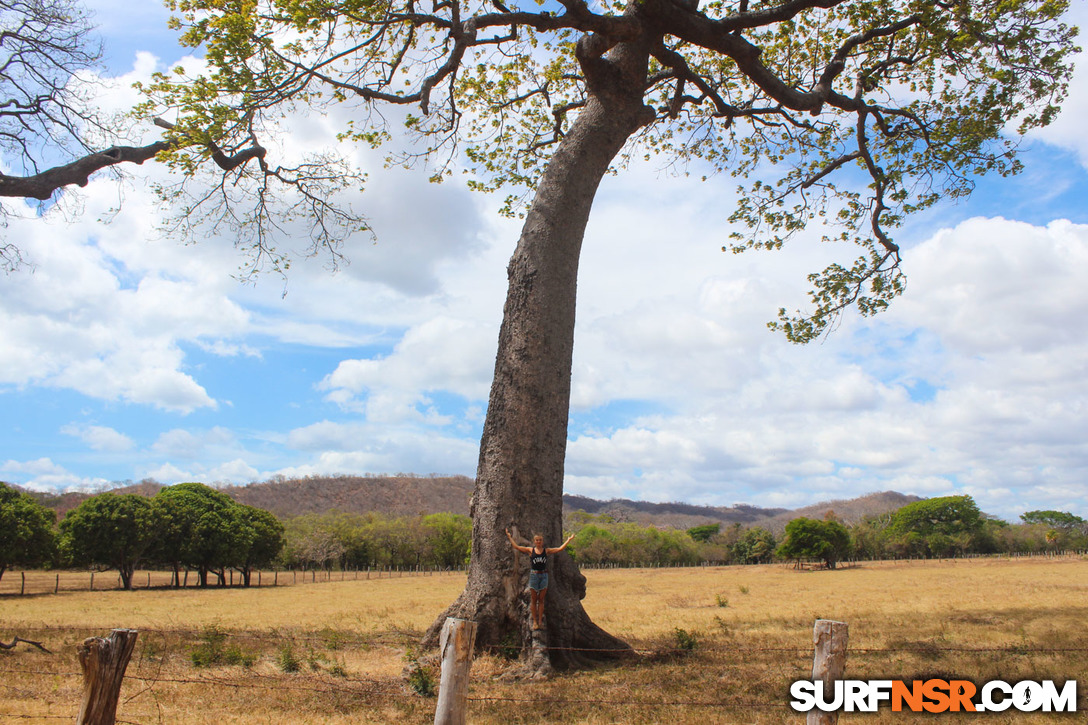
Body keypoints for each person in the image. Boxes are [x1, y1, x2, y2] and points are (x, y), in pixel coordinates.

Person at [506, 528, 575, 630]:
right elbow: (516, 546)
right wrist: (509, 537)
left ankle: (540, 621)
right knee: (534, 600)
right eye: (537, 540)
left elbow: (559, 549)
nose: (538, 542)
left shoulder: (546, 551)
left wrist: (568, 540)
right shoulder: (530, 550)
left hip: (543, 576)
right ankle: (534, 622)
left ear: (542, 541)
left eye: (540, 540)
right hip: (534, 576)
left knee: (541, 600)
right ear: (534, 541)